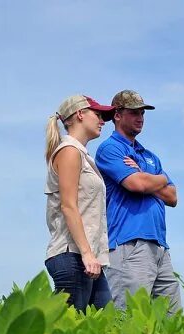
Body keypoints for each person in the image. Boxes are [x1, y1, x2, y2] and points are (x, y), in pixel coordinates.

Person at [94, 90, 181, 315]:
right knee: (130, 319)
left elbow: (173, 197)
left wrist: (145, 176)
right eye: (133, 112)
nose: (140, 117)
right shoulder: (110, 148)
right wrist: (159, 179)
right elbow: (137, 185)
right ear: (117, 115)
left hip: (160, 247)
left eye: (142, 112)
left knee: (173, 323)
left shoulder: (149, 155)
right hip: (128, 245)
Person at [43, 94, 116, 311]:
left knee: (105, 327)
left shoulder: (82, 155)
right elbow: (68, 205)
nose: (102, 120)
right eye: (98, 114)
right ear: (80, 114)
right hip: (72, 256)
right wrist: (87, 253)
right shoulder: (69, 152)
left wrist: (91, 256)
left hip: (88, 259)